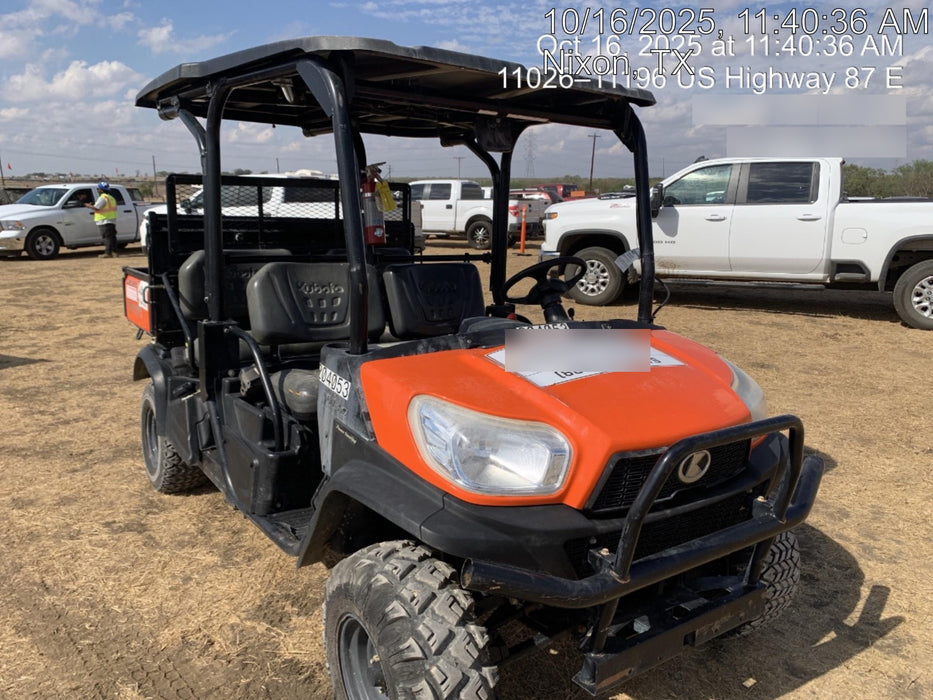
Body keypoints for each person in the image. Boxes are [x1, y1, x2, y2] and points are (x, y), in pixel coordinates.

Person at [86, 181, 118, 257]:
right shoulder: (111, 198)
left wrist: (88, 206)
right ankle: (114, 252)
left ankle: (107, 253)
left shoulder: (103, 198)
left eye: (98, 189)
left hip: (104, 220)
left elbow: (97, 208)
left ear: (101, 190)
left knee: (106, 237)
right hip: (111, 219)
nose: (98, 190)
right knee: (112, 237)